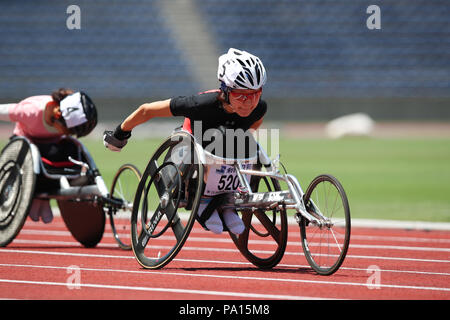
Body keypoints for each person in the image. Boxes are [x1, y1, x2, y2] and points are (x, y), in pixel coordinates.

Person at [103, 48, 267, 235]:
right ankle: (204, 202)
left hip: (224, 153)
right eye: (242, 95)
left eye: (255, 93)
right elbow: (147, 110)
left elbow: (253, 125)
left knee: (247, 146)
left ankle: (228, 203)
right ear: (226, 90)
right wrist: (120, 133)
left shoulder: (259, 108)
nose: (249, 102)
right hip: (187, 153)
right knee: (215, 144)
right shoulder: (199, 105)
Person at [0, 88, 98, 223]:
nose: (69, 134)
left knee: (70, 148)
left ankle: (50, 191)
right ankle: (38, 192)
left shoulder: (63, 119)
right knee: (37, 156)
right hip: (26, 148)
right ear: (58, 114)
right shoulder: (30, 111)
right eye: (69, 130)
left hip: (51, 149)